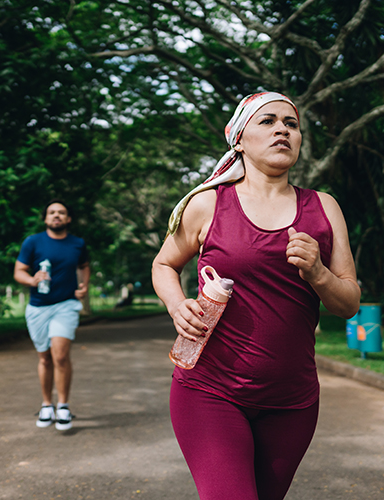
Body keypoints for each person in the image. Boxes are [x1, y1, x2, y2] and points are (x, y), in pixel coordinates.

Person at [152, 92, 360, 500]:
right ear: (239, 138)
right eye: (267, 121)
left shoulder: (324, 207)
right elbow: (163, 265)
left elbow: (349, 303)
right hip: (209, 392)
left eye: (291, 123)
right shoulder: (208, 204)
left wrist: (317, 272)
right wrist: (178, 306)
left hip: (292, 402)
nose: (282, 129)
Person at [14, 199, 90, 431]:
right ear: (46, 218)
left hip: (65, 305)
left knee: (59, 355)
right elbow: (19, 271)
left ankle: (63, 405)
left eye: (61, 212)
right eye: (52, 212)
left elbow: (84, 265)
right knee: (45, 358)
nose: (56, 215)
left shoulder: (77, 244)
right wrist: (32, 280)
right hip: (38, 307)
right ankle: (47, 404)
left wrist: (84, 285)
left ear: (68, 219)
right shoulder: (33, 242)